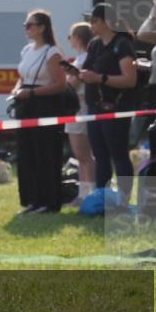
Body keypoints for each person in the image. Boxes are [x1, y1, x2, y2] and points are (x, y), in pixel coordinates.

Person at [10, 9, 68, 214]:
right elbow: (23, 77)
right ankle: (32, 200)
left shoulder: (52, 52)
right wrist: (17, 89)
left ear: (42, 27)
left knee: (45, 154)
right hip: (26, 107)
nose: (26, 28)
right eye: (25, 25)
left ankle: (49, 201)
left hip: (46, 107)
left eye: (30, 25)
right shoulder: (27, 50)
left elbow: (61, 84)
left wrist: (33, 93)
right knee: (27, 154)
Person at [81, 3, 138, 202]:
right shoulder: (94, 45)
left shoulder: (122, 44)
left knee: (119, 154)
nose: (91, 24)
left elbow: (130, 80)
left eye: (94, 20)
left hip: (116, 108)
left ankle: (123, 200)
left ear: (106, 22)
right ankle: (102, 200)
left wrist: (99, 78)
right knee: (100, 154)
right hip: (94, 108)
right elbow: (87, 71)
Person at [64, 22, 96, 199]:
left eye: (70, 36)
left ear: (77, 38)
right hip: (81, 109)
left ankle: (86, 196)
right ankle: (85, 194)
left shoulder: (83, 59)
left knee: (83, 157)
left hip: (79, 109)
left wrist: (66, 78)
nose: (69, 40)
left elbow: (72, 85)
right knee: (85, 157)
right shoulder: (82, 58)